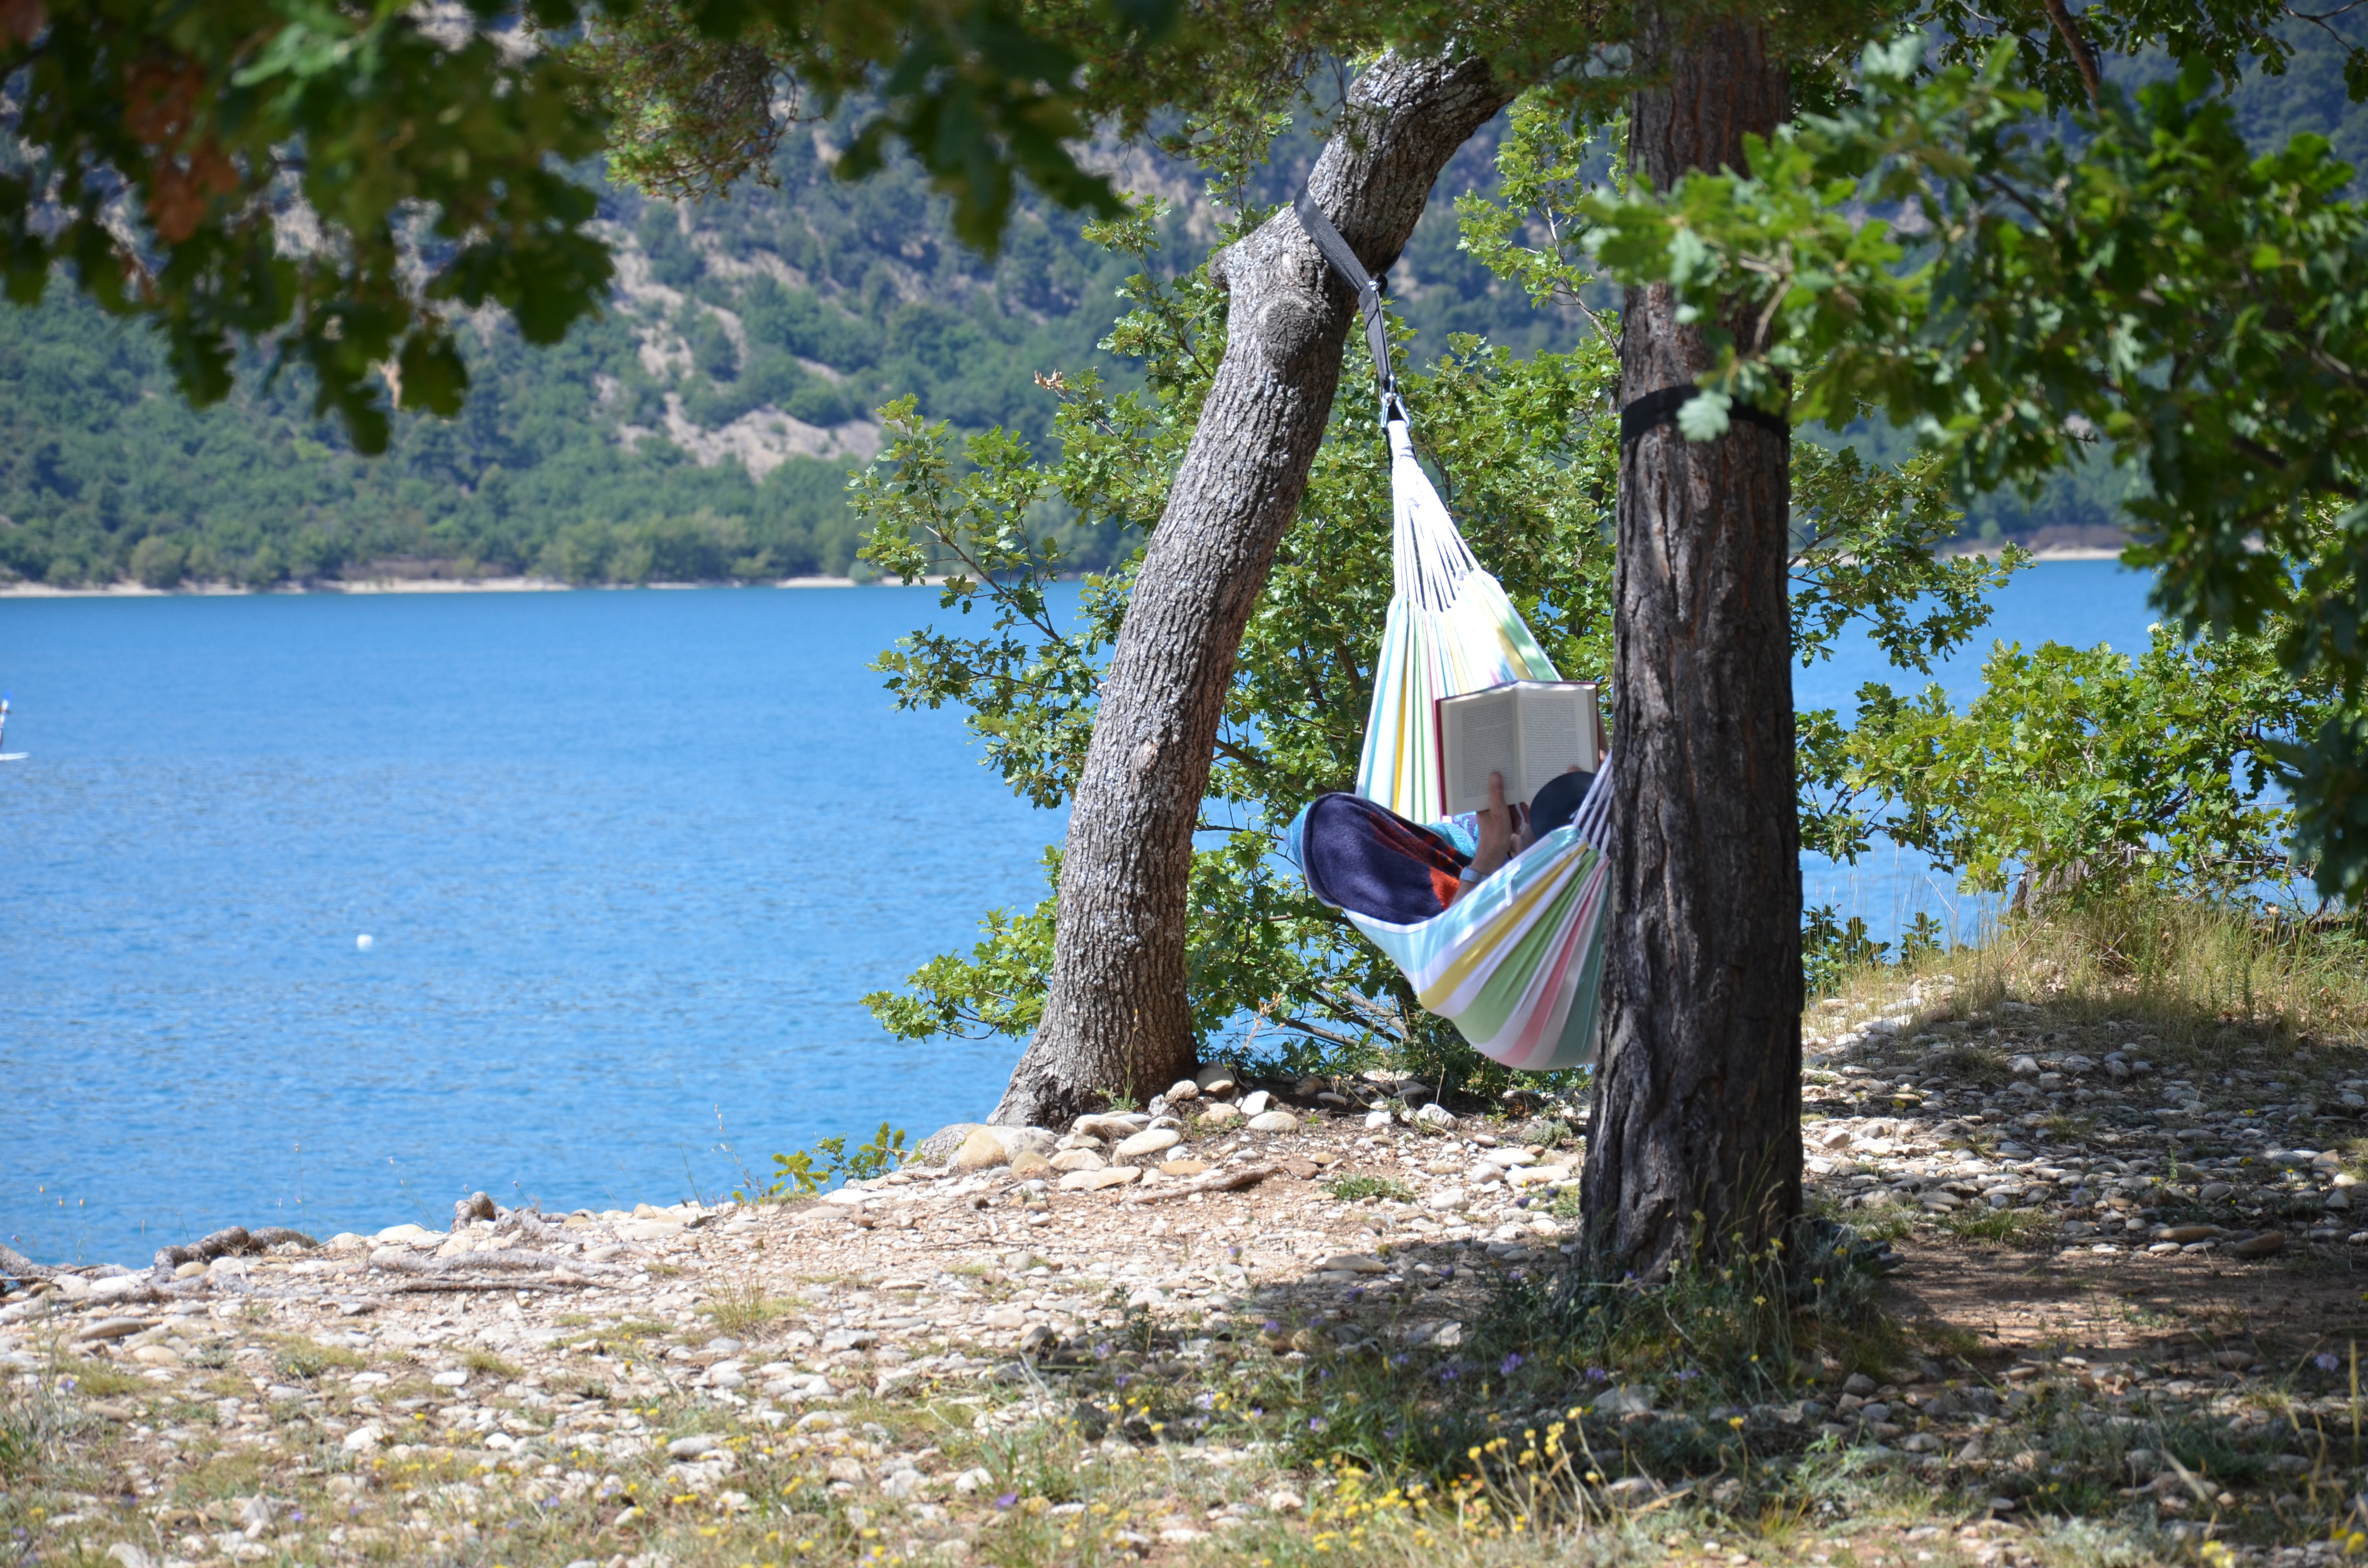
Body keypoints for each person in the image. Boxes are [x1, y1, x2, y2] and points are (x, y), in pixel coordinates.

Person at [1289, 764, 1595, 925]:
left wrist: (1524, 833)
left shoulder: (1447, 841)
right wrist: (1492, 851)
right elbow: (1462, 947)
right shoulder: (1424, 940)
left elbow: (1520, 855)